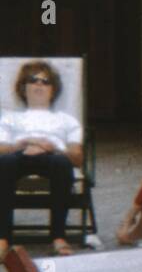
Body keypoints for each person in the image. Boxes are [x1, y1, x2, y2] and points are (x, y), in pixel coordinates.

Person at [0, 61, 83, 259]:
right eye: (32, 80)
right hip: (18, 153)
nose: (39, 85)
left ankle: (58, 236)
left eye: (45, 81)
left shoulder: (66, 120)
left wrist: (52, 147)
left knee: (62, 165)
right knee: (4, 163)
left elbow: (77, 158)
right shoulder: (9, 118)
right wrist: (23, 143)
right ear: (23, 88)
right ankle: (2, 237)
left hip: (53, 156)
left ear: (53, 90)